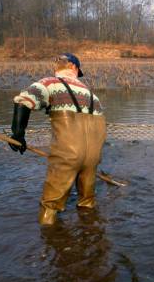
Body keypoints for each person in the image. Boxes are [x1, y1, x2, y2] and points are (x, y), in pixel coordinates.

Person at [11, 53, 107, 225]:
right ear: (74, 68)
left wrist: (18, 134)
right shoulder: (93, 95)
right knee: (87, 202)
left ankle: (49, 239)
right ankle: (90, 233)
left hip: (67, 155)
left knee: (50, 205)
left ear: (62, 67)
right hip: (93, 157)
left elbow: (24, 101)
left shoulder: (50, 83)